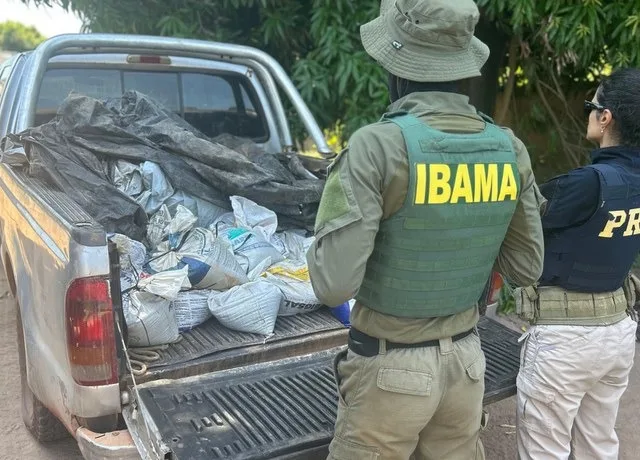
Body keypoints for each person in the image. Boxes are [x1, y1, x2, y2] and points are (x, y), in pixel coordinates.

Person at [305, 0, 544, 458]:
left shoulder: (375, 146)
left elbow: (332, 284)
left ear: (394, 64)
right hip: (468, 365)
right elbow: (527, 268)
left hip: (388, 372)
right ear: (463, 64)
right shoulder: (509, 148)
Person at [515, 68, 640, 460]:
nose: (588, 113)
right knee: (598, 446)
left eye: (592, 106)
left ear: (606, 118)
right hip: (618, 335)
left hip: (566, 342)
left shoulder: (587, 183)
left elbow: (520, 220)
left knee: (544, 451)